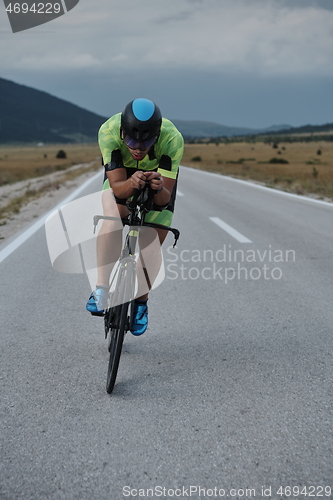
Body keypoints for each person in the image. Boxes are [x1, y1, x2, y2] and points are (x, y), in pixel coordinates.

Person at [86, 98, 184, 335]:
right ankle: (101, 288)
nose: (138, 148)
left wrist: (158, 188)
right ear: (122, 131)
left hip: (158, 178)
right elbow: (118, 188)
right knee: (113, 217)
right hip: (122, 176)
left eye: (146, 142)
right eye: (130, 140)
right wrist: (131, 182)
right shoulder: (108, 130)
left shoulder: (172, 139)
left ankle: (141, 303)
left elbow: (163, 201)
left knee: (151, 244)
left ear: (157, 136)